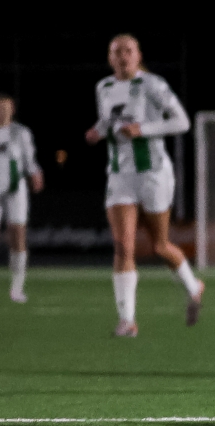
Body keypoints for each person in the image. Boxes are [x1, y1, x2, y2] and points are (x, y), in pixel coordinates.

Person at [84, 36, 202, 336]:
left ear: (138, 56)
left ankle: (193, 285)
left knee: (160, 246)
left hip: (153, 174)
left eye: (128, 51)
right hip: (119, 175)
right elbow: (108, 121)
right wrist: (97, 131)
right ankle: (127, 321)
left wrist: (143, 129)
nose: (122, 56)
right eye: (116, 52)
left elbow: (182, 122)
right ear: (110, 58)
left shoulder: (153, 84)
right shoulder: (103, 87)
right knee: (123, 246)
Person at [0, 94, 42, 305]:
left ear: (12, 110)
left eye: (4, 108)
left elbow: (29, 159)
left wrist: (36, 173)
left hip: (16, 190)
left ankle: (17, 289)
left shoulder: (21, 133)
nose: (0, 112)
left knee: (18, 237)